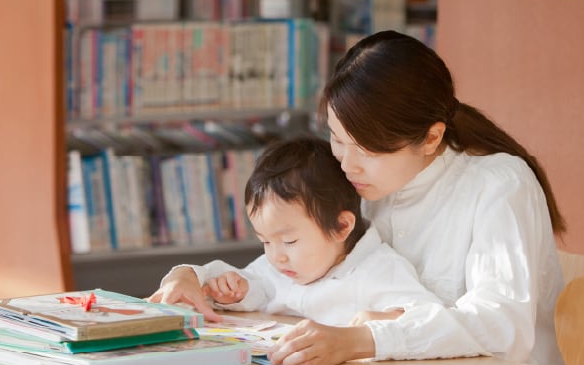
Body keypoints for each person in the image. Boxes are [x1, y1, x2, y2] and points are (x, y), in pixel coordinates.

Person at [151, 30, 568, 365]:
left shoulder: (498, 185)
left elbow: (502, 329)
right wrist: (194, 274)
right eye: (337, 138)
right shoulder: (362, 183)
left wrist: (362, 339)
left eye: (367, 150)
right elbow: (288, 272)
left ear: (431, 138)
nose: (346, 163)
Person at [147, 135, 442, 326]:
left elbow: (430, 319)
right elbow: (258, 287)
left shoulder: (379, 270)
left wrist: (384, 321)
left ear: (341, 226)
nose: (277, 257)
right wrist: (235, 291)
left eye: (289, 241)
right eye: (264, 242)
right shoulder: (280, 267)